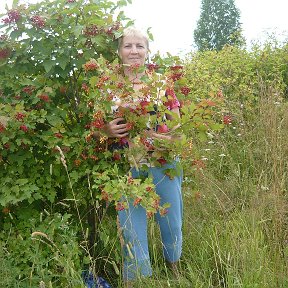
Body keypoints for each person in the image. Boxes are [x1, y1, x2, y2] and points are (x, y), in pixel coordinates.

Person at [103, 26, 183, 284]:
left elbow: (179, 130)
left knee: (171, 220)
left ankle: (174, 267)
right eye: (128, 46)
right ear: (119, 52)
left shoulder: (162, 85)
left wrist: (163, 138)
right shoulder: (108, 88)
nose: (134, 51)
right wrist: (105, 130)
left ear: (148, 52)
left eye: (140, 46)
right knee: (130, 227)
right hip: (126, 166)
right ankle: (138, 277)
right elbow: (92, 131)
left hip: (163, 162)